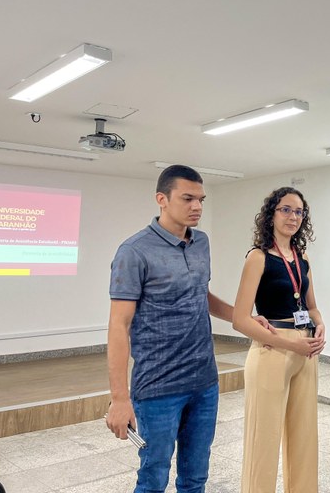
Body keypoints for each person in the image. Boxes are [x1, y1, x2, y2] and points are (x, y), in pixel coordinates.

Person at [106, 164, 234, 493]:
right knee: (153, 477)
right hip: (158, 387)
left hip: (204, 382)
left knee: (196, 477)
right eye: (188, 198)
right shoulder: (134, 251)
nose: (197, 207)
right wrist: (119, 399)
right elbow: (119, 325)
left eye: (201, 199)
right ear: (161, 199)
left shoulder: (201, 242)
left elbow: (200, 294)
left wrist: (242, 319)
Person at [232, 186, 326, 493]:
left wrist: (320, 326)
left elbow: (311, 306)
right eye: (286, 209)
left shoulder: (302, 257)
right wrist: (290, 343)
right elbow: (240, 319)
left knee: (304, 436)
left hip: (306, 349)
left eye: (299, 211)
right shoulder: (258, 257)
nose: (293, 217)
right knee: (264, 439)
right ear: (271, 214)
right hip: (272, 346)